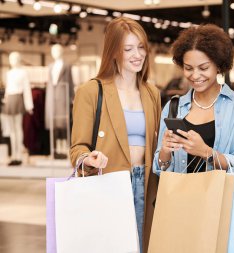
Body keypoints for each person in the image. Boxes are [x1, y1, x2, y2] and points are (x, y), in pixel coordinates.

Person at [70, 17, 161, 253]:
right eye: (128, 49)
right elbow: (77, 147)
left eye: (141, 47)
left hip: (146, 184)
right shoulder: (90, 91)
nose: (137, 54)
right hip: (109, 182)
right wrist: (87, 159)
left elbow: (156, 143)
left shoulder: (152, 93)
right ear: (113, 52)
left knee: (142, 246)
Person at [153, 24, 234, 176]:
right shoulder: (174, 107)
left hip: (221, 198)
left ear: (218, 66)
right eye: (188, 68)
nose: (195, 75)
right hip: (181, 197)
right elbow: (160, 169)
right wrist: (165, 152)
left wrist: (206, 152)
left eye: (203, 68)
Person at [2, 51, 33, 165]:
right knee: (11, 130)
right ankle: (13, 155)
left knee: (18, 128)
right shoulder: (9, 73)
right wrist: (5, 100)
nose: (12, 61)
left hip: (18, 99)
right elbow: (8, 89)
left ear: (19, 59)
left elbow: (27, 89)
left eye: (14, 58)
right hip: (10, 100)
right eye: (11, 58)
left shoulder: (23, 72)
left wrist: (29, 105)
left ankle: (19, 155)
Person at [45, 44, 75, 159]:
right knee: (53, 124)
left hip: (63, 96)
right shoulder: (50, 66)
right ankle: (54, 151)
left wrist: (73, 98)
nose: (55, 53)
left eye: (57, 50)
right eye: (53, 51)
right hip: (51, 97)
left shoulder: (67, 66)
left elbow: (71, 82)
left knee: (63, 123)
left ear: (62, 52)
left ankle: (66, 149)